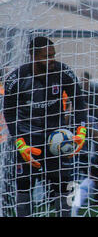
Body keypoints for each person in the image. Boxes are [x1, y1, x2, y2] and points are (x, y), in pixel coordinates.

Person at [3, 36, 88, 217]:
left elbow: (79, 102)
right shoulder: (17, 79)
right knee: (24, 184)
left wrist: (81, 131)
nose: (51, 60)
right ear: (33, 56)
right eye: (46, 56)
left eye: (52, 55)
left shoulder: (63, 72)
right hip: (28, 141)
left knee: (64, 183)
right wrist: (19, 141)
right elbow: (9, 113)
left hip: (56, 140)